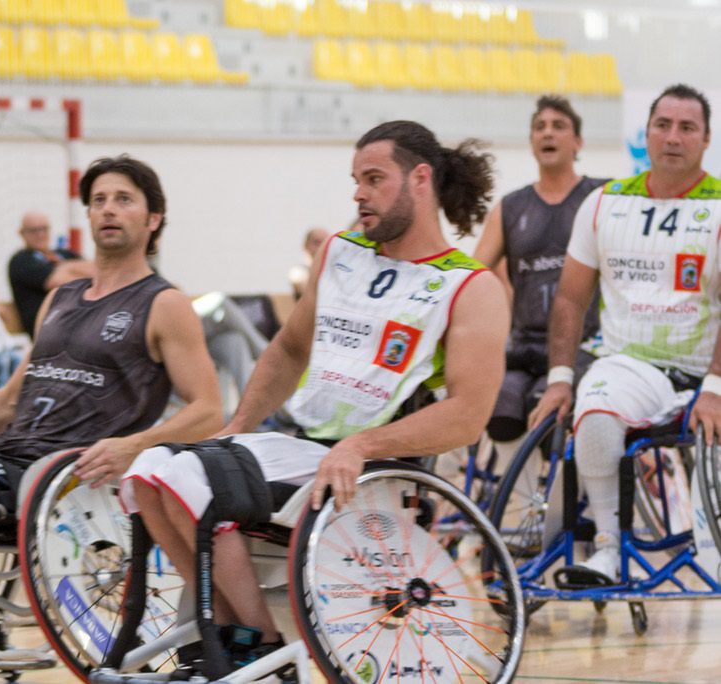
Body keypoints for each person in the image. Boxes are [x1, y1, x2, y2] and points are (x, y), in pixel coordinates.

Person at [121, 120, 508, 670]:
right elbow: (286, 350)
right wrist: (238, 426)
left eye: (374, 179)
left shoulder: (470, 286)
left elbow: (467, 417)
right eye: (356, 179)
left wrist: (361, 446)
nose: (358, 193)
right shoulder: (340, 252)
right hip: (299, 448)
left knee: (186, 477)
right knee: (150, 468)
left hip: (368, 470)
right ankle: (227, 630)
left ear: (420, 180)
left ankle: (258, 645)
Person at [0, 155, 221, 657]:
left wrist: (134, 448)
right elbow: (12, 396)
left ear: (153, 220)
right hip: (11, 451)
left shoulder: (165, 303)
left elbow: (210, 409)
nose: (108, 209)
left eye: (124, 199)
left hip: (70, 470)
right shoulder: (61, 297)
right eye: (99, 200)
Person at [530, 83, 721, 585]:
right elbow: (570, 299)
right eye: (663, 125)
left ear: (706, 140)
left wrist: (716, 389)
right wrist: (559, 378)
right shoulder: (604, 203)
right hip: (631, 366)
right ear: (647, 134)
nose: (673, 137)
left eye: (687, 128)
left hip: (708, 369)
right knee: (593, 410)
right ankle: (609, 551)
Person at [474, 95, 607, 451]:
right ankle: (515, 502)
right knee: (500, 412)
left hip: (585, 345)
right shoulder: (511, 206)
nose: (548, 133)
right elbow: (472, 274)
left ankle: (560, 505)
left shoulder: (601, 196)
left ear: (577, 142)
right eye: (539, 127)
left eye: (559, 126)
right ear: (532, 142)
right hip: (524, 346)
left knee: (547, 416)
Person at [7, 210, 94, 335]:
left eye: (44, 229)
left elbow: (98, 271)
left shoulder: (65, 253)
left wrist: (65, 268)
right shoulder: (21, 260)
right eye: (34, 230)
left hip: (80, 320)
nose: (40, 235)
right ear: (22, 233)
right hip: (49, 330)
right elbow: (57, 281)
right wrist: (75, 270)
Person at [287, 226, 330, 299]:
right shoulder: (298, 272)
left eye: (325, 242)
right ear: (306, 245)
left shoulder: (333, 271)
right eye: (317, 242)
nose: (321, 246)